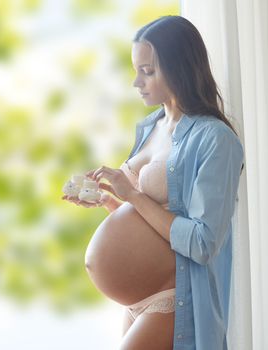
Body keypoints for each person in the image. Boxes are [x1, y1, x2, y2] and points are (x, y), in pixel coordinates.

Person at [63, 15, 244, 349]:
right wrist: (110, 203)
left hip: (174, 295)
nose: (137, 82)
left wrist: (131, 195)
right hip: (137, 301)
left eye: (147, 71)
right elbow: (150, 222)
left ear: (180, 69)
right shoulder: (151, 127)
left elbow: (203, 243)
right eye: (136, 70)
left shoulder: (215, 139)